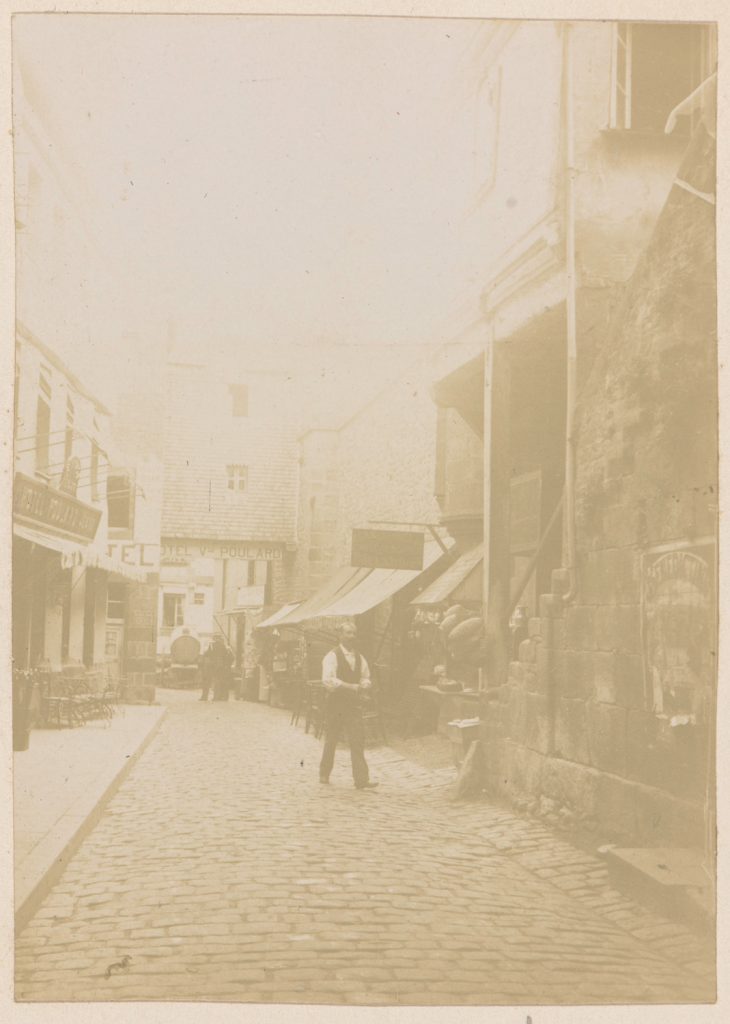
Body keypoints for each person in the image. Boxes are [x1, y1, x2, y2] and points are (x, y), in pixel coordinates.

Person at [319, 621, 377, 790]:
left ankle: (361, 779)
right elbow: (328, 680)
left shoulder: (359, 657)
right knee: (332, 739)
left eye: (354, 633)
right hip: (336, 704)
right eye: (348, 633)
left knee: (357, 740)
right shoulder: (331, 656)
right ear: (340, 635)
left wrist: (365, 684)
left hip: (353, 705)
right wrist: (349, 686)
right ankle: (324, 773)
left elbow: (365, 675)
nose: (352, 637)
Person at [210, 635, 234, 701]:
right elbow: (232, 658)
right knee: (224, 682)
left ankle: (217, 697)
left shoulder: (215, 646)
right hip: (225, 668)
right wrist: (228, 665)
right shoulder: (227, 648)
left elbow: (211, 656)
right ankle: (224, 697)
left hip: (219, 667)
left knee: (217, 682)